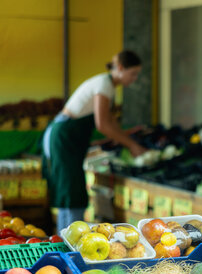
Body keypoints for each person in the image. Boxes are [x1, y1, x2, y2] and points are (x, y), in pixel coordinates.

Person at [42, 50, 147, 233]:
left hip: (68, 137)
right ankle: (66, 242)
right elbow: (103, 125)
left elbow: (110, 123)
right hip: (64, 136)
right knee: (71, 190)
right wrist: (132, 145)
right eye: (133, 74)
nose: (135, 78)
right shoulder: (104, 84)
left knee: (72, 189)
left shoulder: (108, 86)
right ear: (120, 68)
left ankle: (66, 238)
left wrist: (127, 135)